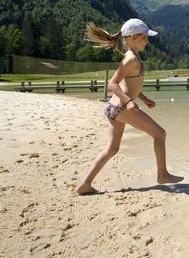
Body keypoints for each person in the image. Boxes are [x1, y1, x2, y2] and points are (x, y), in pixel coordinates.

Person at [76, 18, 183, 195]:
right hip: (122, 108)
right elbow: (112, 84)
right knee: (160, 134)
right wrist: (129, 101)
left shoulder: (134, 57)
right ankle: (162, 175)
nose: (147, 42)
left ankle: (85, 184)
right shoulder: (130, 59)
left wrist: (144, 98)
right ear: (132, 37)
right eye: (144, 38)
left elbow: (130, 85)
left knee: (112, 149)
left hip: (115, 108)